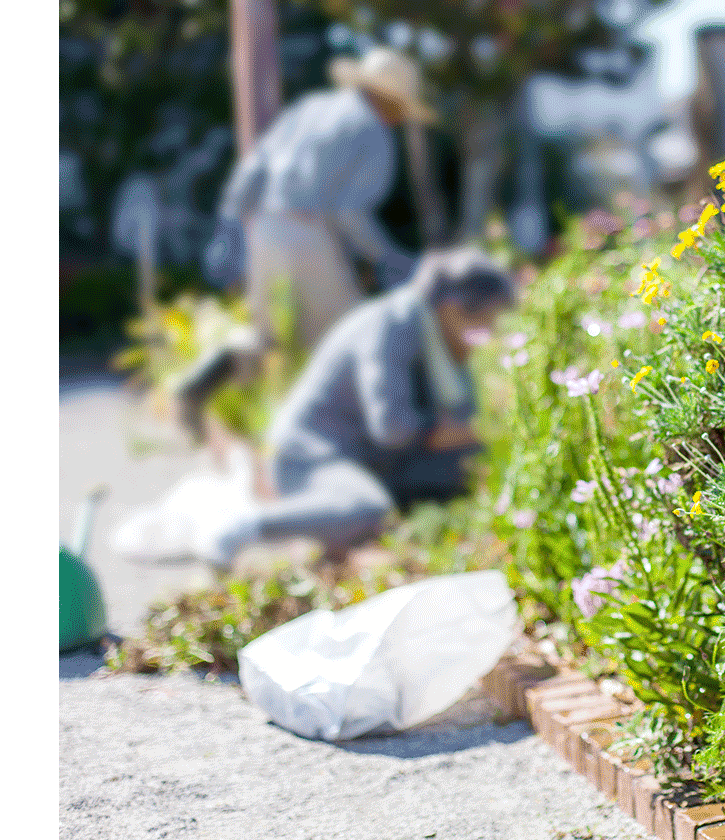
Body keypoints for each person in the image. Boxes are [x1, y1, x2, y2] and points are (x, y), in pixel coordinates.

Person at [189, 246, 517, 573]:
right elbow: (392, 428)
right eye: (486, 320)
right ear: (451, 308)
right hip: (311, 456)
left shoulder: (436, 339)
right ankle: (240, 527)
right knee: (367, 508)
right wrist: (465, 429)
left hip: (372, 459)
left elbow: (461, 420)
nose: (487, 334)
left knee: (476, 463)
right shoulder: (391, 325)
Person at [183, 47, 433, 443]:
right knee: (348, 334)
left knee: (267, 334)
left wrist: (231, 228)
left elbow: (252, 169)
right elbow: (349, 213)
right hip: (311, 233)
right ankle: (347, 439)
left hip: (265, 226)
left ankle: (204, 379)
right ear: (390, 100)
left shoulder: (310, 108)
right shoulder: (371, 131)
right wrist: (391, 258)